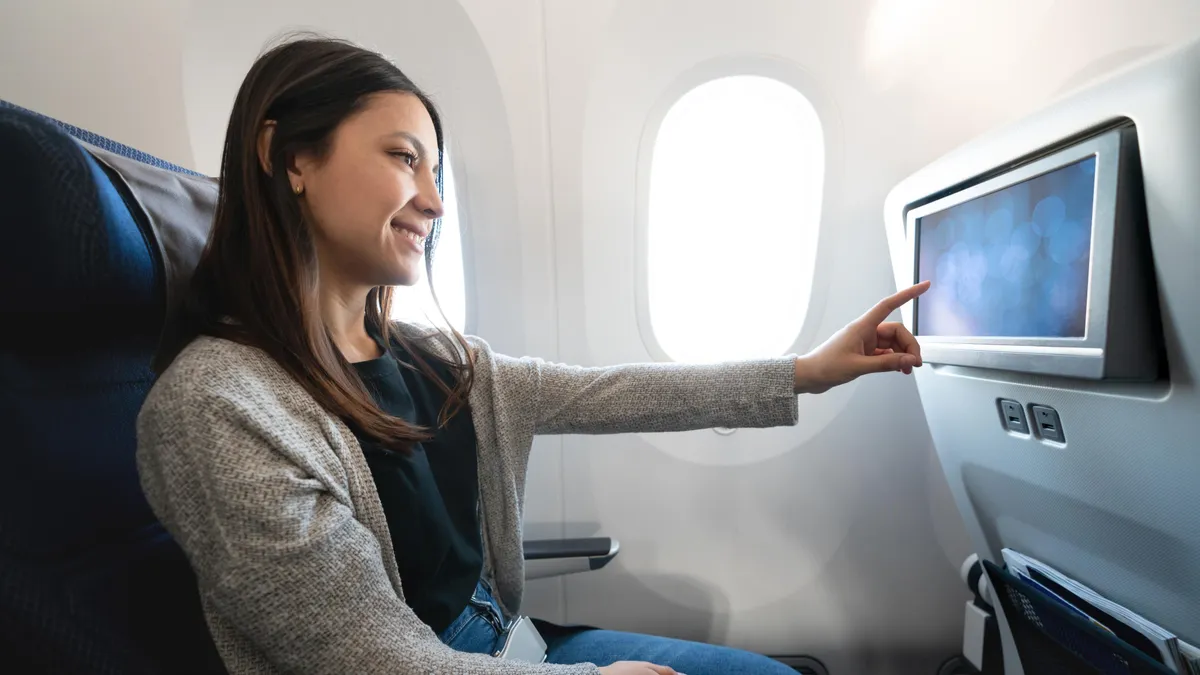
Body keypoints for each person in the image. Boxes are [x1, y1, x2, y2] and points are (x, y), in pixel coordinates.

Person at [136, 35, 929, 675]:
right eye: (404, 158)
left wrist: (808, 371)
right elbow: (372, 659)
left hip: (513, 643)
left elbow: (616, 392)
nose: (436, 202)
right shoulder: (219, 406)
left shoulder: (432, 360)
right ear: (290, 157)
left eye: (438, 172)